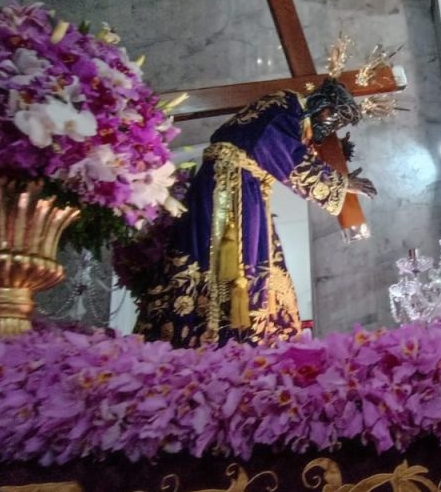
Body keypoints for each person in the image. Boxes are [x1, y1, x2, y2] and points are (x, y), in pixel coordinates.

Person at [137, 79, 377, 348]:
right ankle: (228, 338)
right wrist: (340, 183)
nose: (330, 127)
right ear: (325, 109)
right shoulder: (284, 107)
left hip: (240, 186)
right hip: (231, 189)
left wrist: (337, 179)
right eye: (334, 120)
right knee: (235, 259)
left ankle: (253, 333)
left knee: (256, 257)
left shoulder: (289, 114)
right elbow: (284, 153)